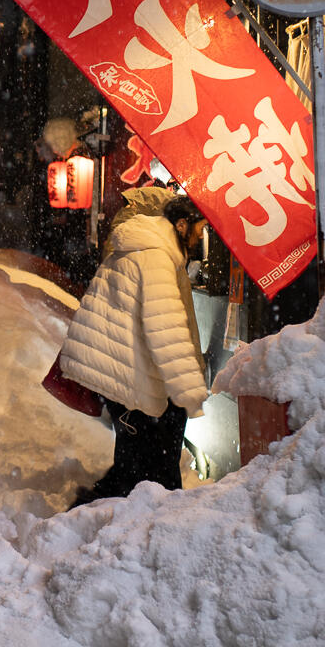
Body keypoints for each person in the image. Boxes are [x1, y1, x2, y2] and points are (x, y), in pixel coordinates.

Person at [59, 194, 210, 505]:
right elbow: (164, 328)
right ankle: (132, 523)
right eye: (199, 229)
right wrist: (189, 389)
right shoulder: (155, 257)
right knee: (154, 470)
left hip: (124, 372)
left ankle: (106, 518)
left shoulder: (140, 249)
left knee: (136, 465)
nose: (200, 237)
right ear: (180, 225)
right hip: (134, 373)